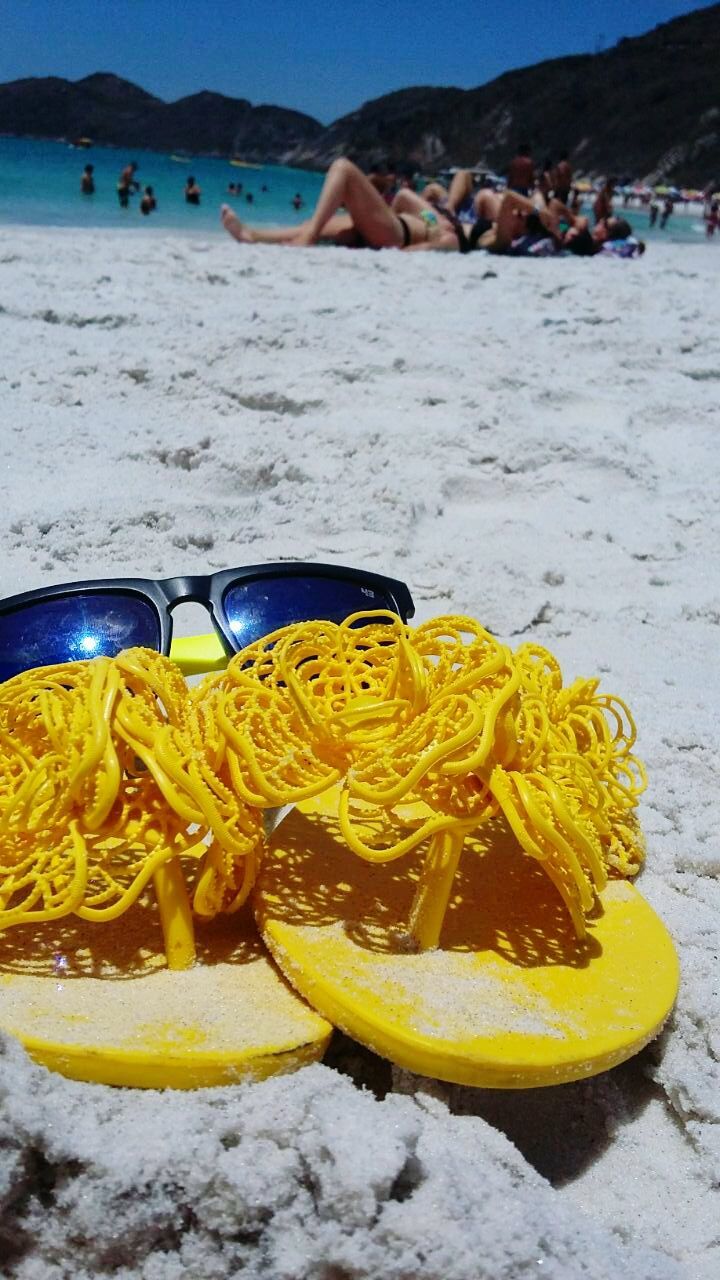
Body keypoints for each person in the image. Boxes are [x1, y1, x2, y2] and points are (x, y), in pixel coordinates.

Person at [220, 157, 462, 252]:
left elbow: (442, 230)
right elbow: (400, 201)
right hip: (391, 232)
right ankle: (252, 235)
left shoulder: (433, 214)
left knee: (343, 167)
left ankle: (310, 237)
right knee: (314, 222)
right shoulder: (413, 203)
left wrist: (430, 220)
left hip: (399, 233)